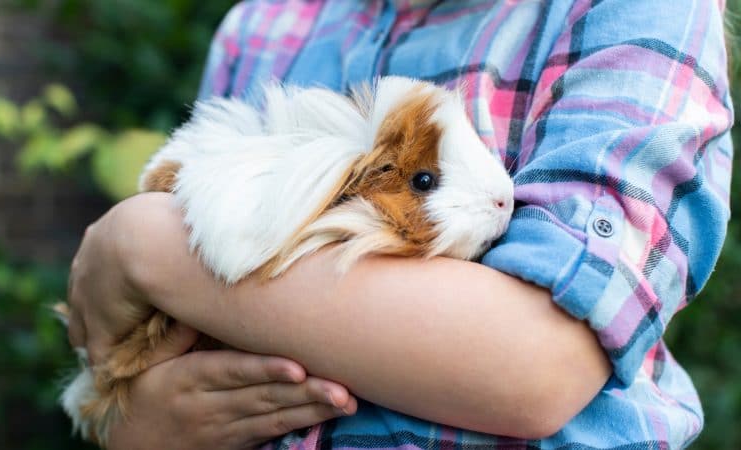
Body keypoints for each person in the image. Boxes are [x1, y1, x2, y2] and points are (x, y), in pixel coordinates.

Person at [65, 0, 734, 449]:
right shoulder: (262, 26)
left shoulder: (637, 13)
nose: (503, 200)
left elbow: (538, 365)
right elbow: (131, 370)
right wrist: (136, 423)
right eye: (421, 183)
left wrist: (151, 242)